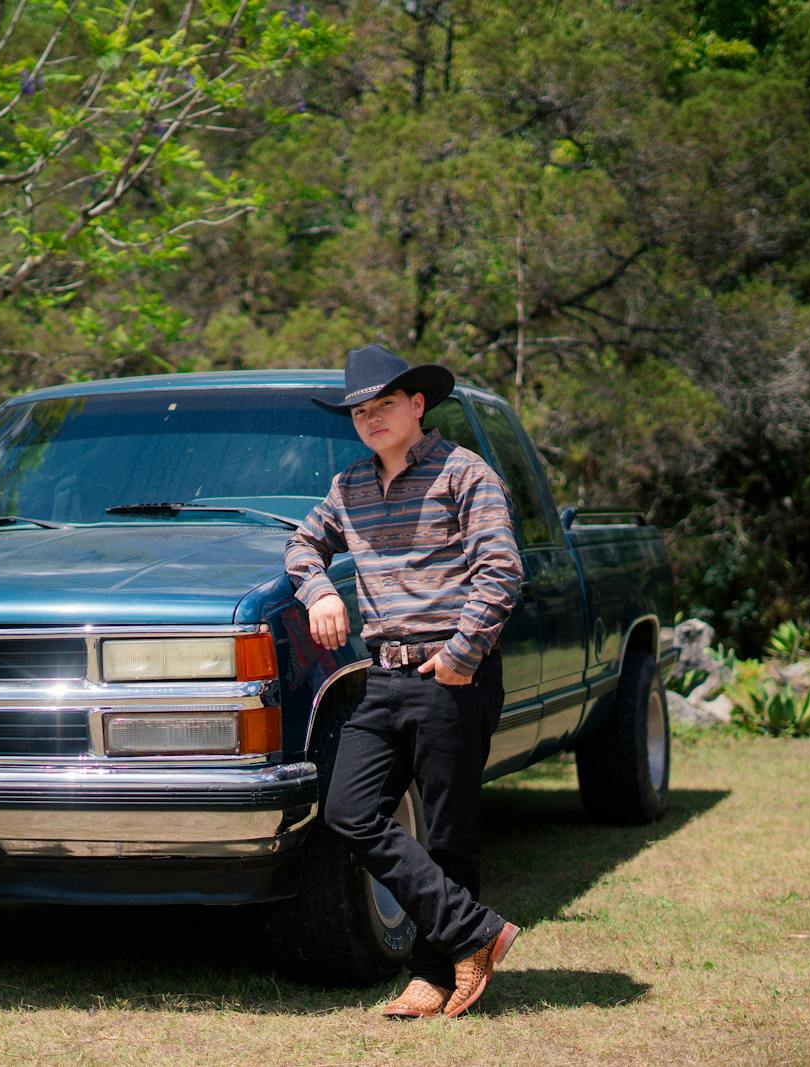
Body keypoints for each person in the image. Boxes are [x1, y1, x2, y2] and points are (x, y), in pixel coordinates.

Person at [285, 343, 524, 1019]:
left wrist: (460, 652)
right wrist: (318, 592)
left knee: (449, 833)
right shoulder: (350, 486)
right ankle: (477, 931)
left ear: (418, 404)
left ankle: (431, 975)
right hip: (383, 676)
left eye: (385, 404)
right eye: (360, 409)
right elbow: (304, 546)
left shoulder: (463, 473)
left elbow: (501, 572)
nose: (371, 418)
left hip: (452, 674)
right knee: (348, 812)